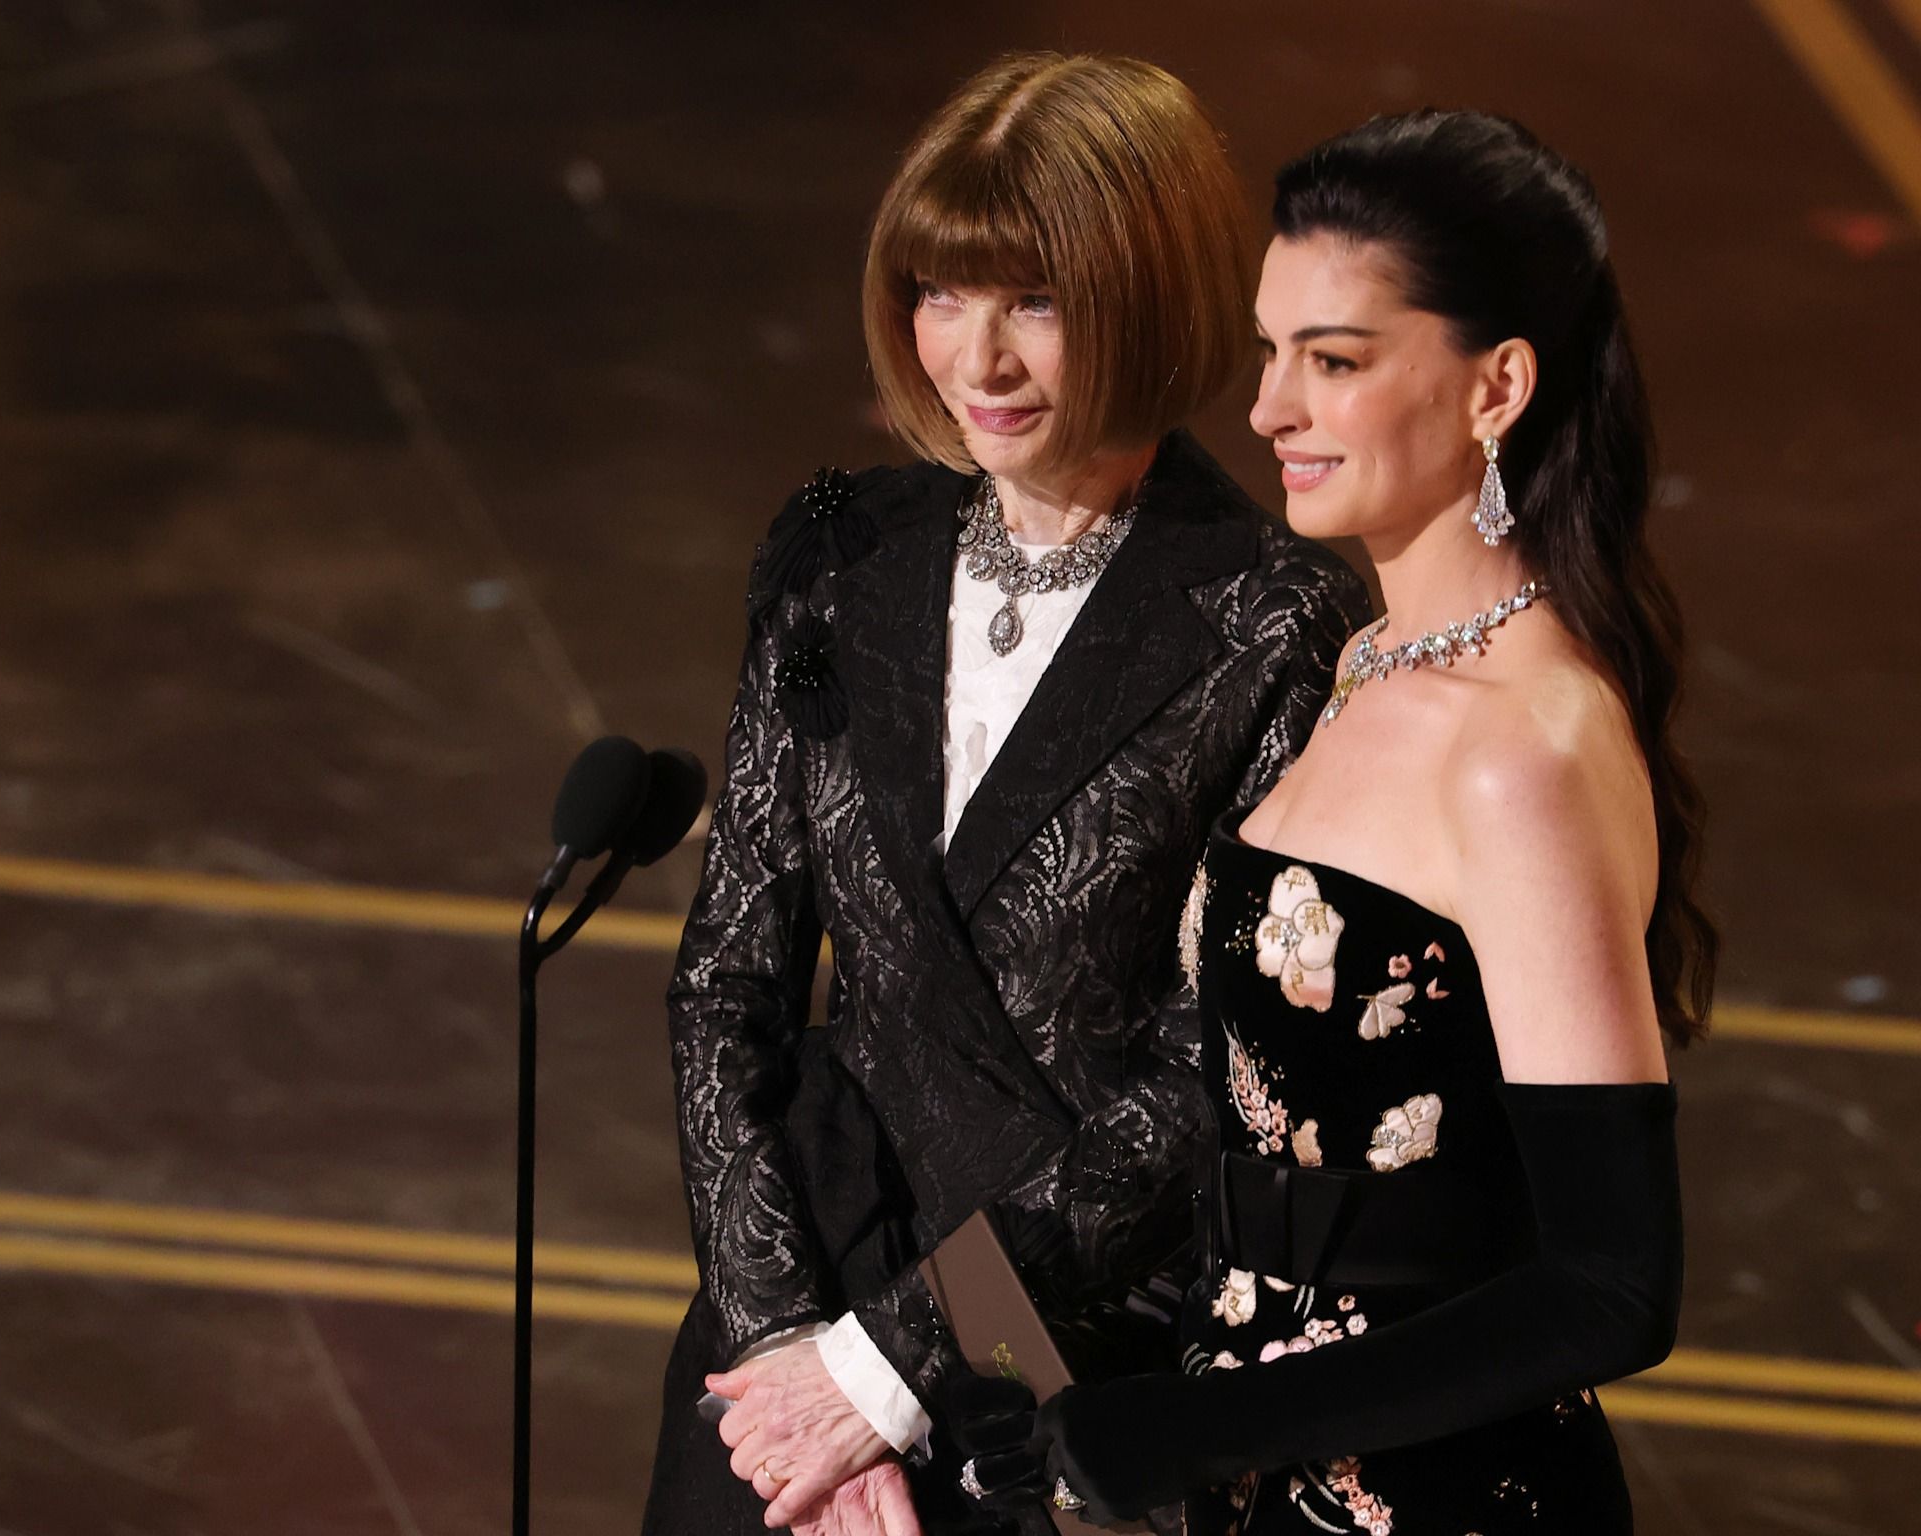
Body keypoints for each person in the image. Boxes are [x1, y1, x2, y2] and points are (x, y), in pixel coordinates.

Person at [640, 52, 1370, 1536]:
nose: (977, 358)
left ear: (1147, 296)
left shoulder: (1273, 619)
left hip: (1066, 1371)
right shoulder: (839, 553)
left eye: (1034, 300)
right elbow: (727, 987)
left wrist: (887, 1375)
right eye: (941, 292)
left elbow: (1205, 1083)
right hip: (794, 1311)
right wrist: (788, 1362)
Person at [962, 110, 1717, 1533]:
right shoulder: (1369, 663)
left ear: (1497, 387)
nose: (1268, 410)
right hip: (1258, 1471)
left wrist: (1196, 1427)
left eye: (1336, 361)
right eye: (1270, 352)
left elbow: (1610, 1284)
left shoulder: (1519, 753)